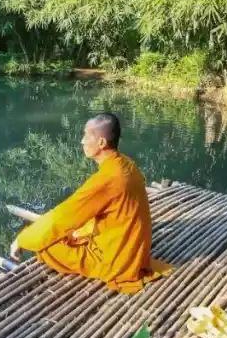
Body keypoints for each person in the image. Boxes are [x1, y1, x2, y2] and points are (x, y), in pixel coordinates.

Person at [9, 112, 171, 294]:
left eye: (86, 136)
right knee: (74, 228)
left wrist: (22, 239)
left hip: (115, 261)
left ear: (101, 142)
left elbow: (64, 216)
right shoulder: (126, 163)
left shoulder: (106, 179)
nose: (82, 141)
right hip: (134, 250)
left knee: (46, 246)